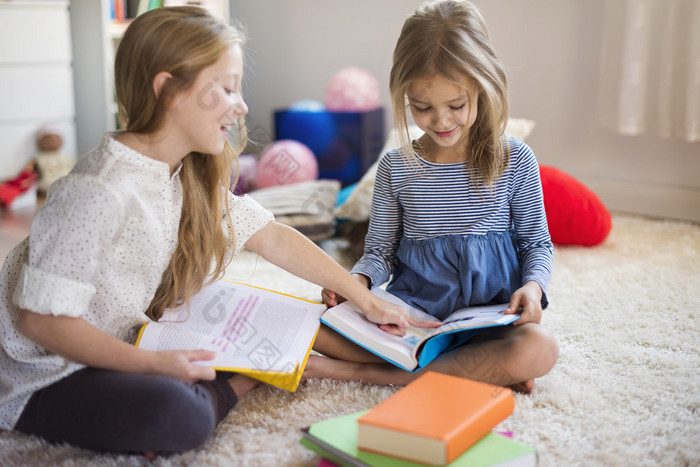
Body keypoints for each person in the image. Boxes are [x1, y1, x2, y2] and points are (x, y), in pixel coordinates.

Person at [0, 6, 436, 457]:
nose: (242, 106)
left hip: (127, 338)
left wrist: (361, 295)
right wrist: (150, 364)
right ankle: (250, 376)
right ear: (167, 89)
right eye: (226, 89)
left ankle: (276, 364)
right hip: (44, 376)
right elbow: (41, 321)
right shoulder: (97, 191)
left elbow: (271, 236)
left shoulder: (181, 172)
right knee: (177, 415)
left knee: (301, 318)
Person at [311, 0, 559, 393]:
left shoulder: (515, 159)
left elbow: (536, 244)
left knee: (541, 348)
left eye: (456, 105)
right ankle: (470, 372)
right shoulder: (397, 167)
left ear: (483, 86)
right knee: (312, 324)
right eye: (422, 107)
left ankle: (377, 376)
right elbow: (380, 253)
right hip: (413, 321)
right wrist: (355, 283)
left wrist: (533, 288)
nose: (441, 121)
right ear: (404, 96)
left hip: (488, 324)